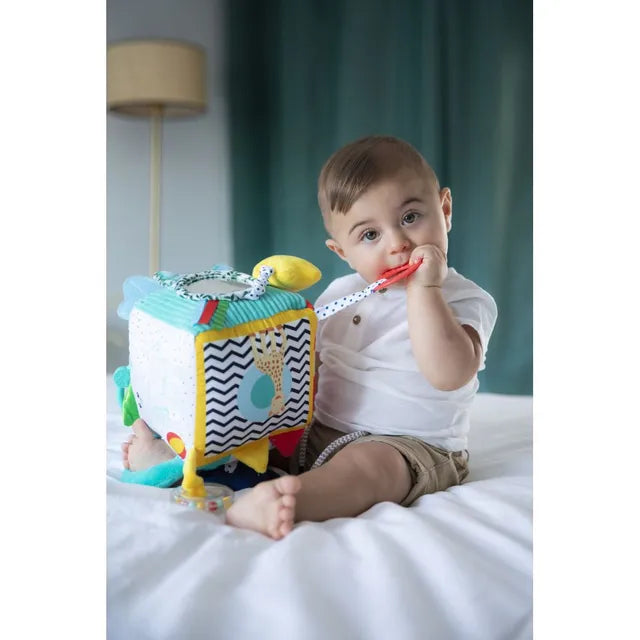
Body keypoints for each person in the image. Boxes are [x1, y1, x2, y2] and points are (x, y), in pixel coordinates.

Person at [122, 135, 497, 540]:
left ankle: (290, 501)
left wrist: (426, 289)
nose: (398, 243)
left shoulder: (464, 299)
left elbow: (448, 373)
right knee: (250, 438)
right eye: (370, 235)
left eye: (410, 217)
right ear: (342, 252)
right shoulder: (340, 295)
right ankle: (177, 467)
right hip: (318, 432)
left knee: (367, 471)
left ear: (444, 210)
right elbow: (305, 371)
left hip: (409, 446)